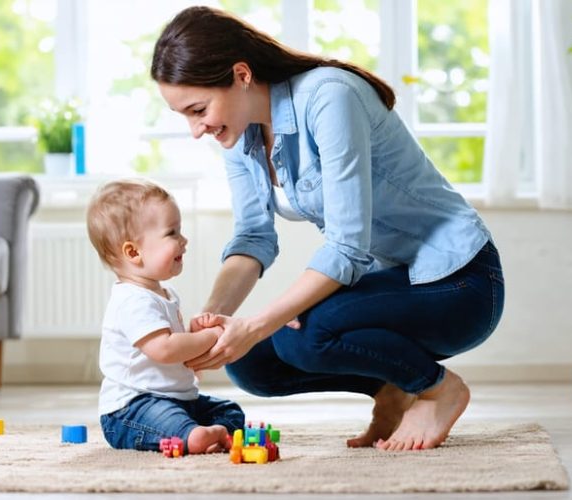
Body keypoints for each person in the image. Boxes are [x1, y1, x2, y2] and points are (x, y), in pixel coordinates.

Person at [151, 6, 504, 451]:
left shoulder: (330, 97)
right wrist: (207, 329)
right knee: (248, 362)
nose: (195, 129)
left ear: (241, 74)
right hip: (395, 282)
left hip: (461, 284)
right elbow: (254, 238)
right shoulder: (239, 134)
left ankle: (438, 388)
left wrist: (257, 323)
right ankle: (391, 391)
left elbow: (347, 247)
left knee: (307, 335)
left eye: (198, 109)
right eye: (183, 115)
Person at [87, 178, 245, 454]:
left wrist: (194, 334)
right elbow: (164, 349)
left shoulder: (164, 293)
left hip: (176, 398)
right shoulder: (132, 300)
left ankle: (204, 433)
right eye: (172, 233)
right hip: (132, 409)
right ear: (134, 252)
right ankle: (192, 436)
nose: (184, 240)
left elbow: (176, 348)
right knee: (170, 421)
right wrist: (211, 336)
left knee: (230, 412)